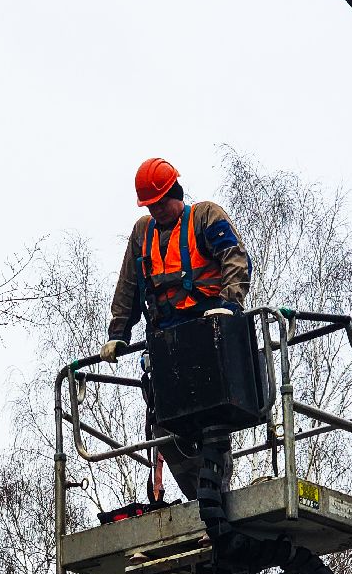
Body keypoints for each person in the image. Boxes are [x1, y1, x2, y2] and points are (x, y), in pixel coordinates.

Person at [99, 157, 251, 500]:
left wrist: (228, 304)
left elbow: (235, 258)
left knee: (213, 422)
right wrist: (118, 333)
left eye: (160, 202)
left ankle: (215, 497)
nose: (156, 210)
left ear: (175, 192)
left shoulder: (205, 217)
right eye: (150, 205)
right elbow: (128, 286)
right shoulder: (143, 233)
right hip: (166, 349)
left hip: (208, 337)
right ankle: (201, 501)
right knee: (167, 426)